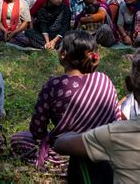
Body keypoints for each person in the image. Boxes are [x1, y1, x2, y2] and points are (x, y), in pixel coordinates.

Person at [11, 31, 121, 176]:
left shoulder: (54, 85)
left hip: (66, 151)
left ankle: (59, 164)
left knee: (18, 139)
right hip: (102, 150)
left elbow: (37, 131)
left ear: (63, 53)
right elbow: (117, 118)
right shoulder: (104, 79)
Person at [53, 49, 140, 183]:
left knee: (83, 155)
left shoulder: (118, 133)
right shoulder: (103, 80)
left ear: (129, 84)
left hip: (85, 140)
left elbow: (60, 144)